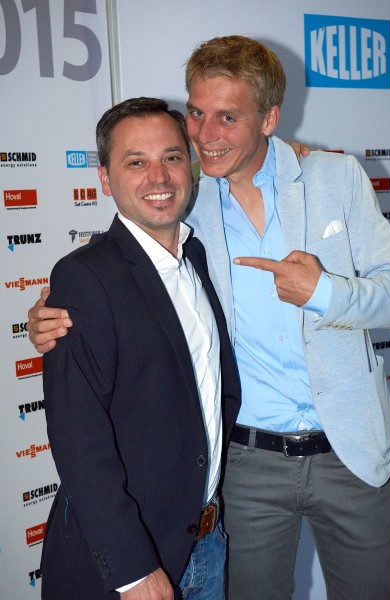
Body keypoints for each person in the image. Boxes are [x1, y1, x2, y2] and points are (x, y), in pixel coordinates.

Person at [28, 36, 390, 600]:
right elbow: (125, 257)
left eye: (228, 117)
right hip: (246, 466)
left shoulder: (334, 178)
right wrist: (56, 312)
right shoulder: (188, 196)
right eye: (196, 113)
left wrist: (326, 293)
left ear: (270, 119)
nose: (205, 135)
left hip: (351, 453)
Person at [39, 97, 241, 600]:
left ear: (190, 167)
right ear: (105, 179)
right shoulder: (84, 277)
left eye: (172, 157)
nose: (159, 177)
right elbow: (79, 441)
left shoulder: (198, 256)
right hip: (133, 564)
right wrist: (133, 571)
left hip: (207, 543)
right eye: (136, 162)